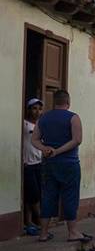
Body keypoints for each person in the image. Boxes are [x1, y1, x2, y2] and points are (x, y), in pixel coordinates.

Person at [31, 90, 91, 243]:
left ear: (54, 102)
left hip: (49, 164)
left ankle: (43, 233)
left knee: (48, 196)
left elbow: (34, 140)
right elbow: (77, 140)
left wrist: (45, 149)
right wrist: (58, 151)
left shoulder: (43, 118)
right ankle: (72, 232)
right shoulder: (73, 117)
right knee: (70, 196)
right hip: (69, 164)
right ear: (68, 102)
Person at [23, 98, 43, 236]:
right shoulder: (24, 124)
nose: (37, 111)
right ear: (29, 109)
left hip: (39, 163)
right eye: (34, 108)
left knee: (33, 195)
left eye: (39, 109)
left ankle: (29, 221)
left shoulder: (41, 125)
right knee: (33, 194)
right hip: (28, 163)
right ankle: (41, 220)